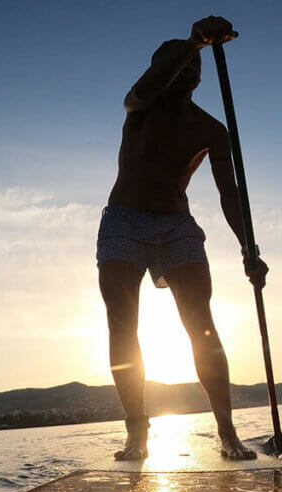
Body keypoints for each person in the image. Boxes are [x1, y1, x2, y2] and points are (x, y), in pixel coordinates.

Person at [97, 16, 267, 461]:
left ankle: (227, 432)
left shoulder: (211, 130)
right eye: (182, 62)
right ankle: (138, 430)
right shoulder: (141, 106)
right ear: (164, 67)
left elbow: (231, 196)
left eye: (197, 64)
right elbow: (148, 86)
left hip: (176, 227)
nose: (191, 68)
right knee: (122, 324)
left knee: (201, 323)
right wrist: (194, 43)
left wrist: (250, 249)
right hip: (123, 222)